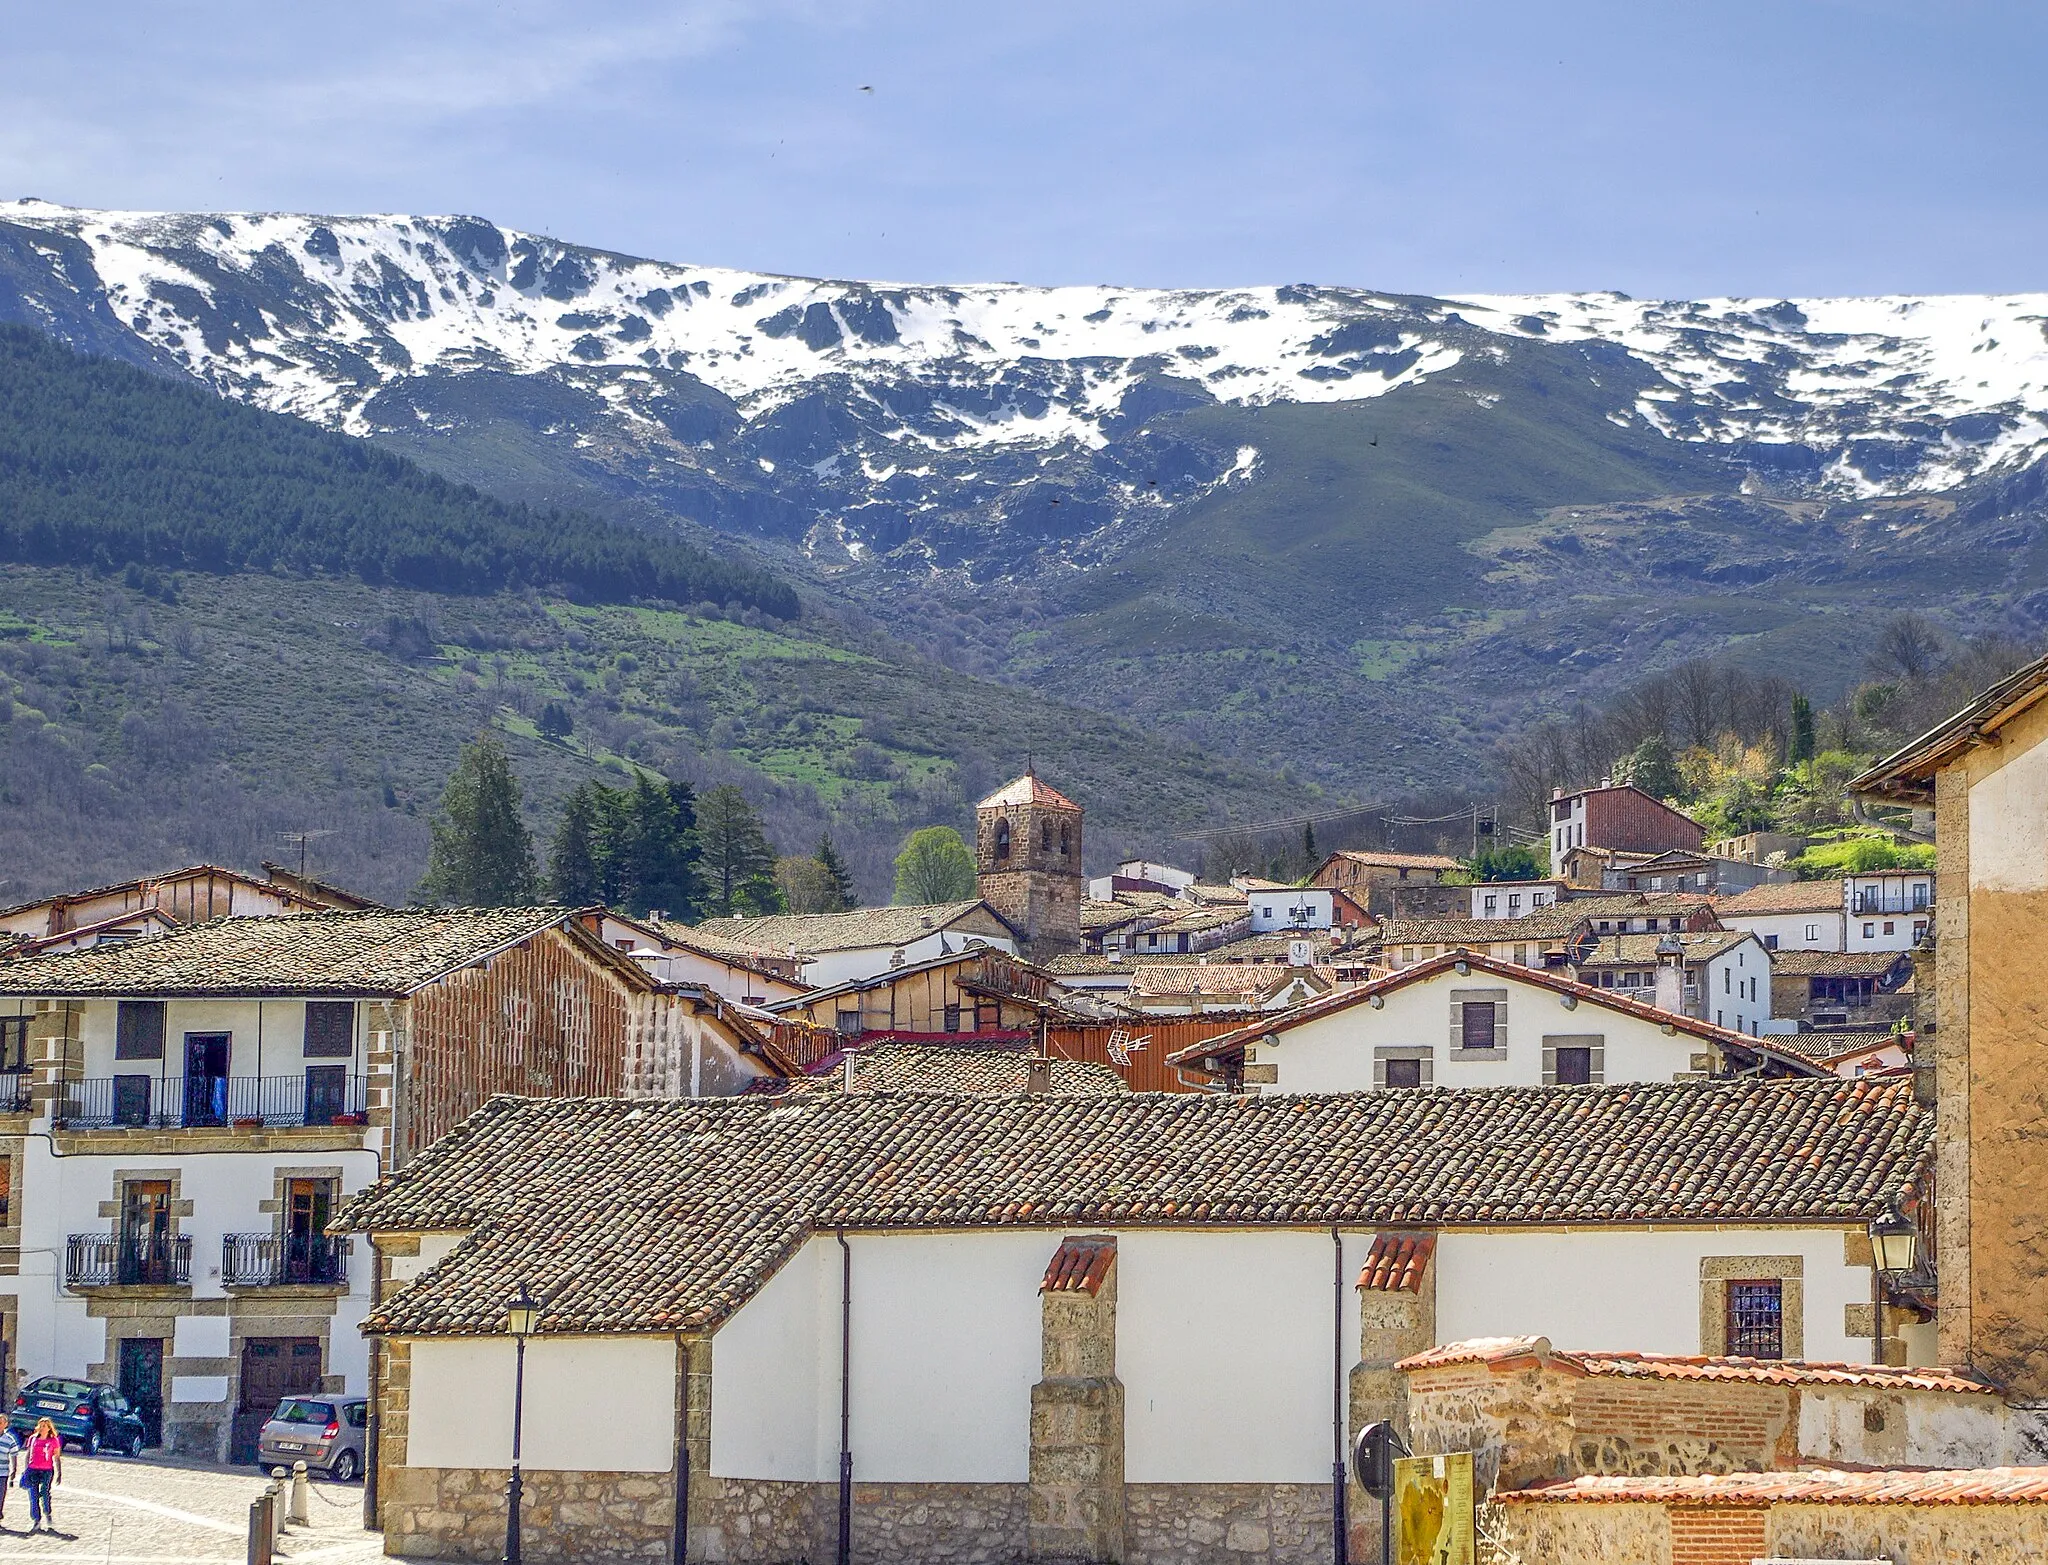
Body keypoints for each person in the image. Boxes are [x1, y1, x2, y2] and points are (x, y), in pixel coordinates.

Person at [22, 1417, 60, 1532]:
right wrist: (26, 1469)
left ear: (49, 1428)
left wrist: (59, 1473)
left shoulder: (53, 1440)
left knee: (44, 1492)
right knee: (33, 1495)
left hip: (46, 1470)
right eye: (41, 1425)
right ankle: (36, 1520)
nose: (42, 1428)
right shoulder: (33, 1439)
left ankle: (47, 1513)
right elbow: (28, 1454)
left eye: (45, 1426)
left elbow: (57, 1457)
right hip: (33, 1469)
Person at [0, 1418, 18, 1525]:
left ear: (6, 1424)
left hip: (2, 1472)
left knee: (0, 1495)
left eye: (1, 1423)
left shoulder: (9, 1439)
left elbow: (14, 1454)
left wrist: (14, 1469)